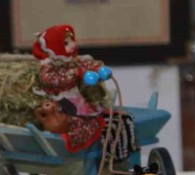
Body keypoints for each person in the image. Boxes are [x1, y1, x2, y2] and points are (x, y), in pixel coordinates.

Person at [33, 24, 136, 159]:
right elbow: (52, 79)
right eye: (66, 43)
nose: (72, 45)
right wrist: (77, 73)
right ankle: (89, 141)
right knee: (83, 123)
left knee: (100, 117)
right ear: (54, 47)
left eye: (72, 41)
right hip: (61, 103)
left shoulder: (71, 61)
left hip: (75, 99)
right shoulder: (47, 66)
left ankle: (116, 151)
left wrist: (98, 69)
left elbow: (85, 64)